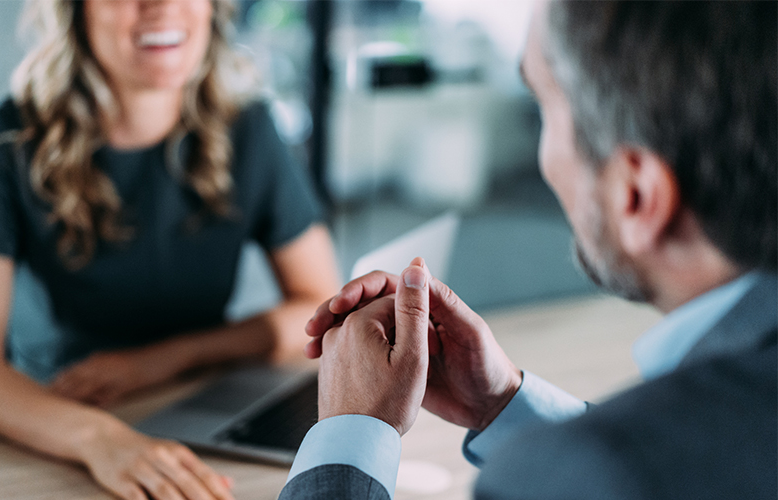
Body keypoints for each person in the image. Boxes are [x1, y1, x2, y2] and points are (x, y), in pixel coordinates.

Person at [280, 1, 777, 499]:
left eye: (546, 112)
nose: (544, 165)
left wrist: (350, 436)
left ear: (637, 196)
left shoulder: (591, 472)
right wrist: (504, 403)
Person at [0, 0, 339, 499]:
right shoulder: (0, 143)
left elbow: (319, 307)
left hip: (202, 406)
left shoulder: (250, 128)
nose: (162, 6)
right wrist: (98, 439)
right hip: (59, 423)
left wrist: (165, 359)